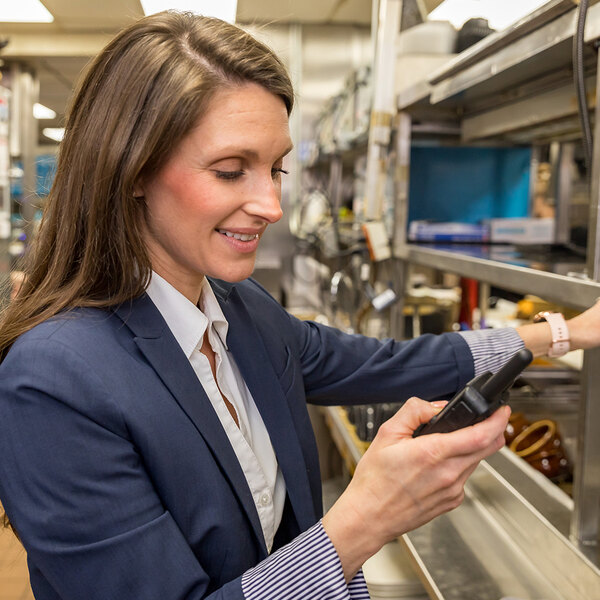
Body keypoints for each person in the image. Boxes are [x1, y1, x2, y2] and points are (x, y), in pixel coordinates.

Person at [0, 11, 599, 600]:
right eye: (231, 171)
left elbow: (382, 363)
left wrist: (564, 333)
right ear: (131, 169)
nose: (272, 205)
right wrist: (362, 522)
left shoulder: (242, 311)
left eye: (276, 169)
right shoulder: (53, 382)